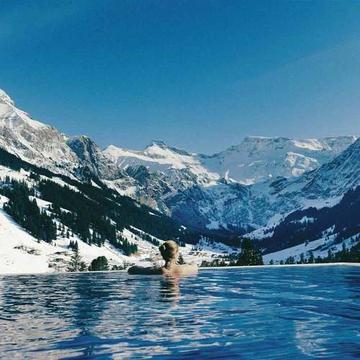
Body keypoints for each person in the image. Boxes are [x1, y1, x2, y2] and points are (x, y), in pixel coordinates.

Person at [128, 240, 198, 276]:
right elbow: (195, 266)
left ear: (162, 253)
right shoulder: (183, 269)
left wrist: (151, 268)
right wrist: (189, 264)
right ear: (177, 253)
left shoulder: (159, 271)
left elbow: (131, 270)